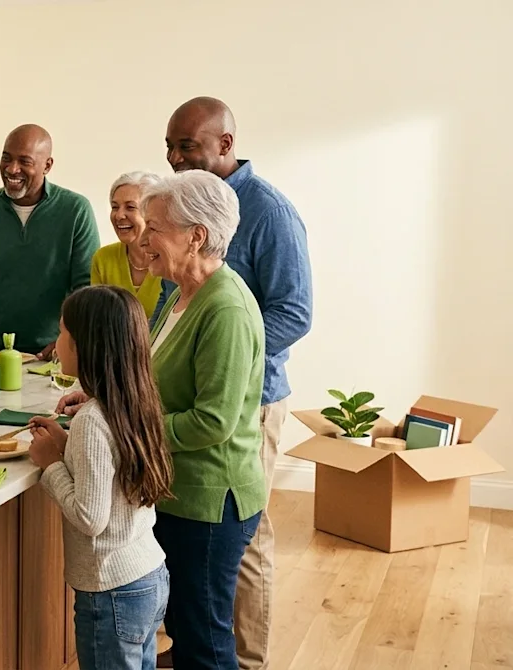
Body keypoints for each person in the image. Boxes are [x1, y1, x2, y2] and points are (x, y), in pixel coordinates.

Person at [156, 96, 313, 670]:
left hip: (254, 399)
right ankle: (203, 648)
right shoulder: (185, 215)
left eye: (187, 146)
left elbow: (294, 312)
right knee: (208, 569)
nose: (175, 157)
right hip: (202, 393)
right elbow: (176, 312)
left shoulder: (269, 211)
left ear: (225, 144)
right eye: (170, 147)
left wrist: (226, 358)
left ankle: (244, 660)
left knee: (243, 543)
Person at [28, 285, 172, 670]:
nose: (55, 343)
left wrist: (50, 465)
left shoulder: (92, 420)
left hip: (110, 592)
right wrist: (64, 441)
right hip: (148, 575)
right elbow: (109, 474)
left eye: (61, 333)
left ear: (82, 346)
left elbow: (91, 518)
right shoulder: (134, 402)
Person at [0, 124, 100, 360]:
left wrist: (68, 339)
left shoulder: (75, 210)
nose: (12, 169)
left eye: (24, 162)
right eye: (6, 158)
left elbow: (86, 288)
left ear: (47, 165)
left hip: (53, 354)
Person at [90, 171, 165, 316]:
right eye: (115, 207)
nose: (119, 215)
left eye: (130, 207)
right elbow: (96, 320)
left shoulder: (170, 261)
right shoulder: (103, 258)